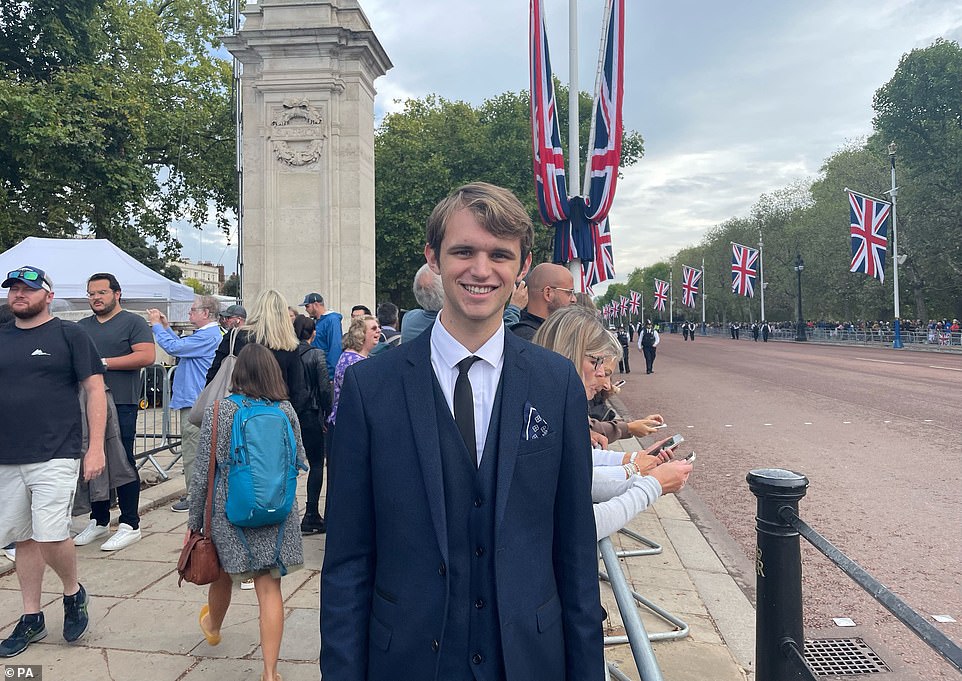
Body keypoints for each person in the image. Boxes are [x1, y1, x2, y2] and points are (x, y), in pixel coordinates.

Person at [321, 182, 603, 681]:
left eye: (499, 254)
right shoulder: (370, 388)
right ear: (433, 257)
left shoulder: (556, 382)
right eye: (463, 251)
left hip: (528, 659)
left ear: (521, 266)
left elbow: (575, 553)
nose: (480, 269)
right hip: (407, 659)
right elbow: (348, 561)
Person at [0, 266, 106, 658]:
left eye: (27, 289)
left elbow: (95, 389)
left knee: (49, 533)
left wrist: (95, 447)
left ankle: (72, 591)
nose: (18, 295)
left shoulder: (70, 334)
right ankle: (31, 617)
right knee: (22, 538)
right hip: (7, 455)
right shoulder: (2, 334)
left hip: (56, 451)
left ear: (47, 294)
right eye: (13, 289)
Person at [188, 344, 306, 681]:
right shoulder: (286, 411)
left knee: (223, 572)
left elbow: (202, 475)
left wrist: (196, 522)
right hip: (278, 513)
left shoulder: (219, 411)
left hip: (231, 514)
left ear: (237, 374)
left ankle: (212, 625)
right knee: (270, 589)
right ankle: (270, 673)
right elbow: (300, 459)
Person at [531, 306, 692, 539]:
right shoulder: (535, 419)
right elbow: (577, 527)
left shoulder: (545, 408)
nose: (606, 383)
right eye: (599, 366)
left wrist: (638, 467)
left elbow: (582, 478)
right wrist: (651, 484)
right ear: (571, 355)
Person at [75, 273, 156, 551]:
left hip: (121, 402)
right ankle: (98, 519)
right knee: (91, 458)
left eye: (101, 292)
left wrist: (103, 363)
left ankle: (130, 523)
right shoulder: (81, 326)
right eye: (91, 293)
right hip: (85, 404)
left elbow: (146, 355)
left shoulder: (133, 322)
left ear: (116, 294)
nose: (96, 298)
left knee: (122, 459)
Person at [147, 296, 222, 512]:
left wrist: (156, 327)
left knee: (193, 450)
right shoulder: (208, 335)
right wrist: (166, 328)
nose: (189, 314)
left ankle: (194, 497)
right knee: (197, 449)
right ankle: (202, 495)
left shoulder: (207, 336)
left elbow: (174, 348)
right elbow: (182, 346)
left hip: (195, 402)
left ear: (205, 313)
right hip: (197, 399)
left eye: (192, 310)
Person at [293, 314, 332, 535]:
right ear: (313, 333)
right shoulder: (317, 354)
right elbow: (325, 388)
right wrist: (328, 413)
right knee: (317, 464)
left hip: (292, 413)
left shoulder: (287, 354)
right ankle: (310, 513)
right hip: (312, 413)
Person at [509, 262, 576, 340]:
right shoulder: (530, 338)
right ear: (548, 293)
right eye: (569, 292)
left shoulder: (551, 333)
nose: (574, 299)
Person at [301, 292, 342, 380]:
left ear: (315, 305)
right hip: (317, 370)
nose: (305, 309)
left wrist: (330, 375)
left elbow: (335, 347)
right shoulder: (317, 320)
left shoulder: (332, 320)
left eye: (307, 306)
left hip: (326, 372)